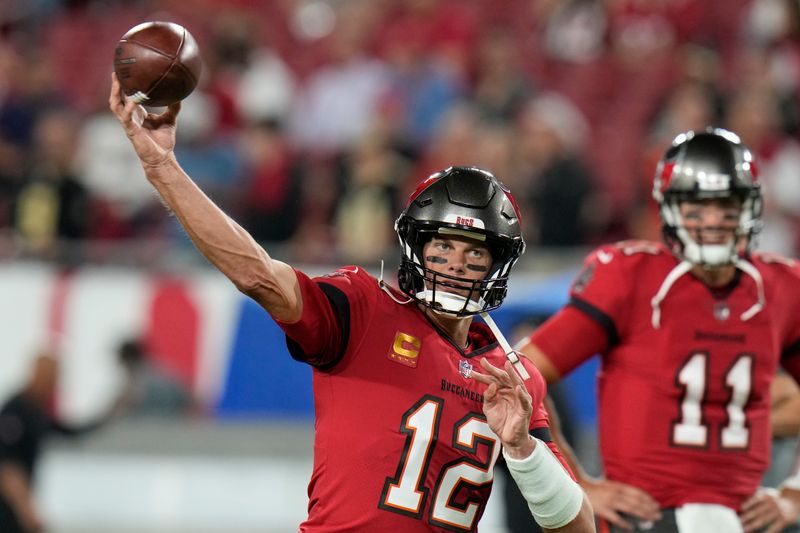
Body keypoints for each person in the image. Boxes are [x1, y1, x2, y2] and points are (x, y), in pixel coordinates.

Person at [108, 73, 595, 532]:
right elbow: (256, 272)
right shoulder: (365, 309)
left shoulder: (512, 374)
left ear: (497, 266)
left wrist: (523, 449)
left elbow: (577, 527)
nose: (454, 263)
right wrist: (162, 167)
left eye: (474, 252)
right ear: (415, 248)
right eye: (441, 246)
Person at [516, 127, 800, 533]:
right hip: (648, 517)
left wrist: (794, 495)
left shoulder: (780, 287)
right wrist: (577, 482)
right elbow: (520, 376)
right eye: (697, 208)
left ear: (750, 208)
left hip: (746, 518)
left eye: (727, 206)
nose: (714, 221)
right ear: (669, 210)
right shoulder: (632, 277)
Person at [0, 350, 125, 532]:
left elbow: (68, 432)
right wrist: (26, 510)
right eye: (53, 379)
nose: (54, 386)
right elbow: (8, 469)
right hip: (8, 507)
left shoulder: (35, 411)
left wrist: (109, 413)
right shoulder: (16, 411)